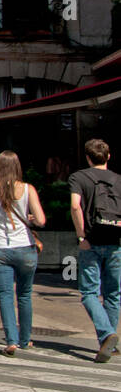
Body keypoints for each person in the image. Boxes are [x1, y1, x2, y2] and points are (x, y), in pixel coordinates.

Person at [0, 151, 46, 356]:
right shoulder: (28, 189)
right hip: (25, 248)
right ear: (17, 167)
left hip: (0, 248)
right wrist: (29, 217)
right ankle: (25, 340)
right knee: (25, 294)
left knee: (5, 295)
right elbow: (41, 220)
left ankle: (11, 341)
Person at [68, 139, 121, 363]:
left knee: (89, 292)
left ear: (88, 157)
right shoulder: (119, 180)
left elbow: (74, 206)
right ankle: (107, 343)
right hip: (116, 241)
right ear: (108, 156)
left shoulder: (78, 177)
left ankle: (106, 334)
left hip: (91, 241)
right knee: (114, 293)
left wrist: (81, 236)